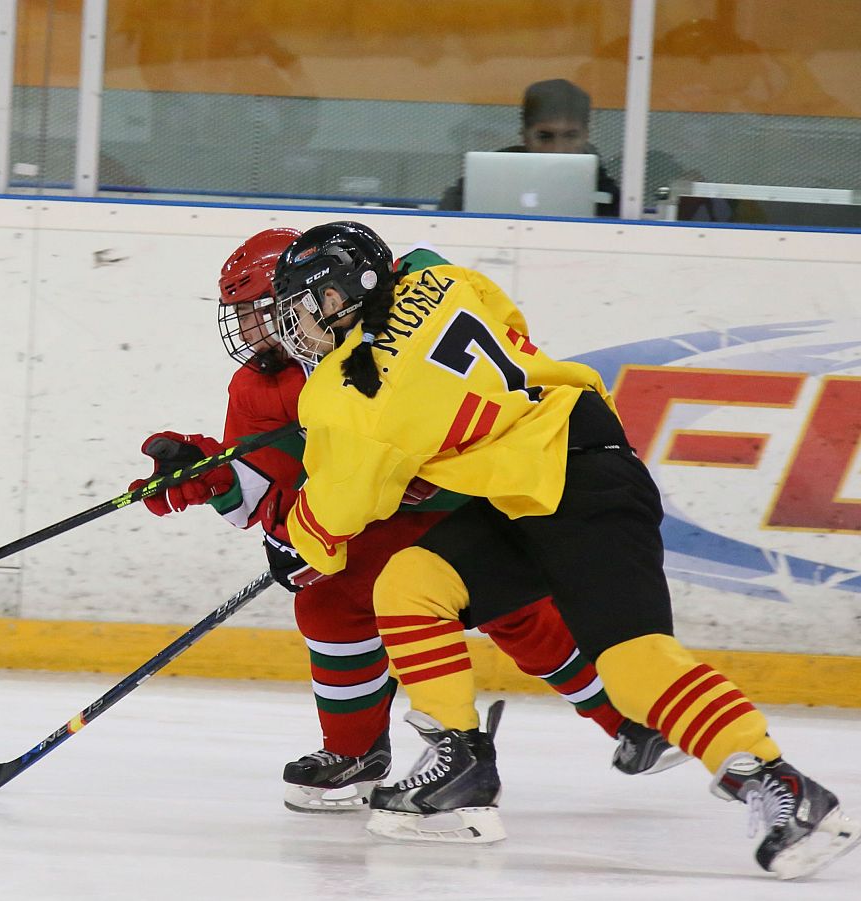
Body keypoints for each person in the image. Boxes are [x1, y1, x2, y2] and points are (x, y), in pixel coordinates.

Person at [264, 220, 861, 877]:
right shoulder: (447, 281)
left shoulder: (343, 388)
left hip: (576, 484)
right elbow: (505, 339)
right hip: (533, 481)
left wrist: (296, 539)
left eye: (306, 305)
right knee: (411, 581)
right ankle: (457, 770)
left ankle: (784, 786)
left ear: (347, 293)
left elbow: (338, 512)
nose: (299, 327)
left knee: (636, 665)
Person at [129, 228, 684, 817]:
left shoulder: (381, 335)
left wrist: (313, 529)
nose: (246, 334)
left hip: (471, 488)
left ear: (316, 300)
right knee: (328, 598)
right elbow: (274, 494)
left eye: (258, 315)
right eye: (238, 318)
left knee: (513, 608)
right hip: (377, 516)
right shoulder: (260, 386)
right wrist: (211, 477)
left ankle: (627, 716)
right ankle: (356, 752)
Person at [438, 78, 620, 218]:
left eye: (571, 136)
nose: (558, 149)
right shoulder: (496, 172)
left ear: (586, 135)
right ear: (524, 136)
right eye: (544, 137)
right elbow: (447, 216)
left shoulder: (602, 188)